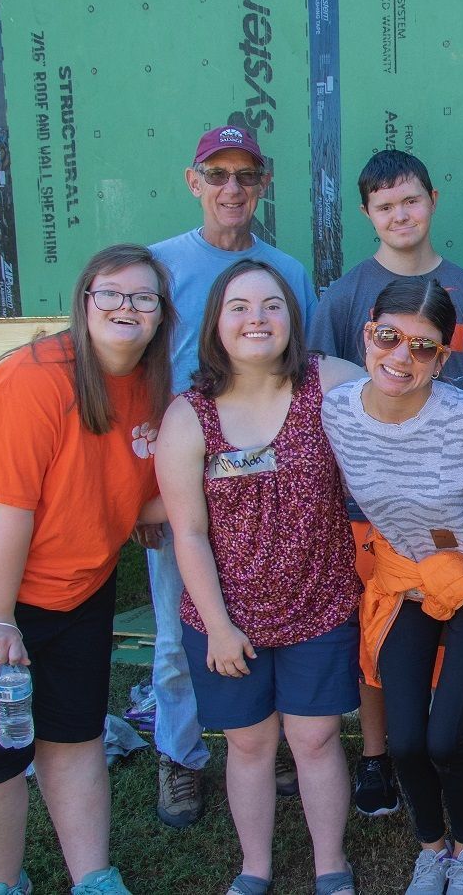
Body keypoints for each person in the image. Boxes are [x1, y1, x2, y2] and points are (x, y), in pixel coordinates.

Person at [0, 244, 176, 895]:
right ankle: (0, 883)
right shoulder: (34, 379)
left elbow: (139, 485)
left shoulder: (151, 383)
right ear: (83, 303)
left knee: (73, 733)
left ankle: (94, 878)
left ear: (162, 315)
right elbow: (11, 513)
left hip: (81, 584)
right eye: (110, 293)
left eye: (143, 297)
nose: (126, 307)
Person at [320, 277, 463, 895]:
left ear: (444, 358)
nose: (401, 357)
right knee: (406, 739)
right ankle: (432, 848)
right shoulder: (335, 412)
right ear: (367, 335)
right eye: (388, 337)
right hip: (403, 578)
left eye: (423, 347)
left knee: (447, 735)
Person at [308, 149, 463, 818]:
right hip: (372, 504)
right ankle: (377, 756)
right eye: (384, 204)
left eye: (410, 200)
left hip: (453, 499)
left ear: (432, 200)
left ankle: (450, 743)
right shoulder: (343, 297)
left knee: (459, 620)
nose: (400, 215)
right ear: (367, 213)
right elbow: (323, 388)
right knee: (380, 635)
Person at [154, 260, 363, 895]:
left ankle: (331, 866)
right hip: (226, 618)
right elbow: (185, 532)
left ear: (292, 319)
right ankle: (255, 869)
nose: (257, 319)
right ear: (215, 323)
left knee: (315, 737)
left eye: (272, 306)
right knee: (248, 745)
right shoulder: (189, 416)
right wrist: (217, 626)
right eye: (239, 308)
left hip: (319, 603)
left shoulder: (330, 382)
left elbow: (406, 397)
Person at [147, 124, 319, 828]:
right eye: (217, 174)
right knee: (176, 626)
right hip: (183, 471)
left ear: (263, 185)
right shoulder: (157, 267)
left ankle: (262, 744)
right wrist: (142, 491)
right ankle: (181, 756)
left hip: (267, 477)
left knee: (271, 613)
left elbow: (308, 375)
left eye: (245, 175)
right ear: (193, 182)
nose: (231, 188)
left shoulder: (287, 272)